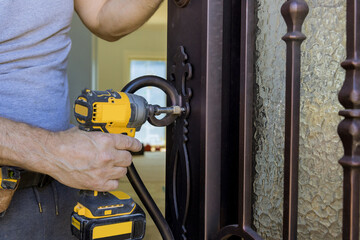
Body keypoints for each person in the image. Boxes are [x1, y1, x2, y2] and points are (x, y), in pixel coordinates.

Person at [0, 0, 163, 239]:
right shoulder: (59, 155)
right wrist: (54, 152)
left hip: (62, 184)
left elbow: (101, 16)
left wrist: (60, 158)